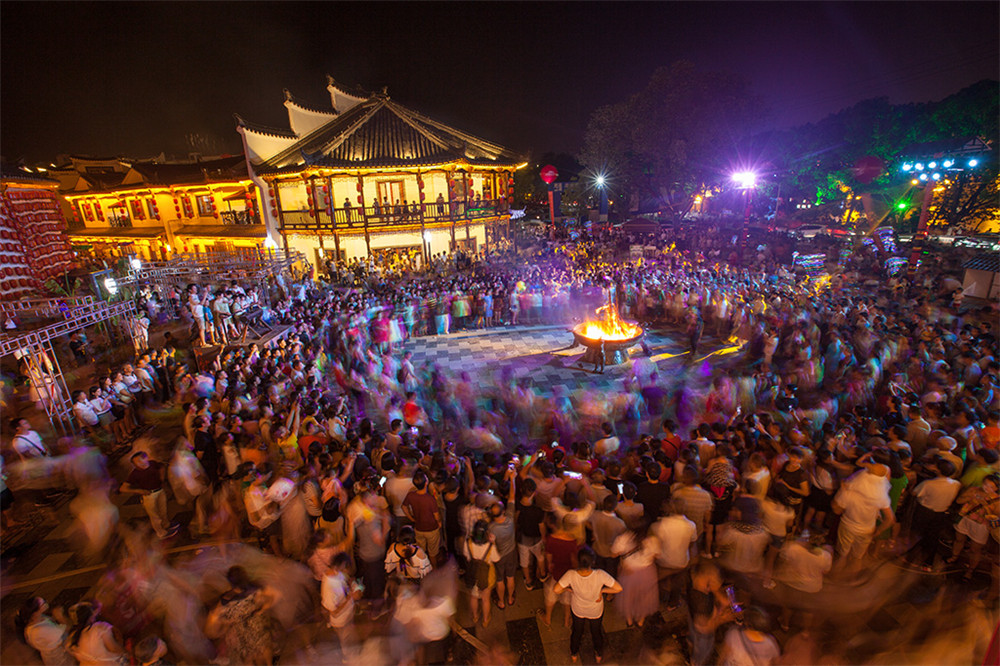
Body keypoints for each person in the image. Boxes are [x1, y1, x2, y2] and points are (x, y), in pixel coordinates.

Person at [553, 546, 622, 664]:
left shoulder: (571, 574)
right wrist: (602, 591)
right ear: (593, 562)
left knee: (577, 632)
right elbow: (618, 588)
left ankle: (574, 654)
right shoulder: (600, 575)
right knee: (596, 632)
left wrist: (570, 590)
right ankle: (598, 654)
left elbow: (556, 590)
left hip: (578, 609)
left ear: (578, 561)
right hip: (595, 610)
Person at [205, 566, 277, 666]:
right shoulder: (256, 589)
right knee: (263, 652)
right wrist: (262, 610)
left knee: (248, 659)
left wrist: (222, 626)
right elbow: (274, 596)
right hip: (259, 632)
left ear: (230, 582)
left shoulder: (226, 601)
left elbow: (211, 629)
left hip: (242, 639)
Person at [945, 473, 999, 580]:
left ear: (997, 488)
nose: (986, 488)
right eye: (985, 484)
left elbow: (996, 516)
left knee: (975, 549)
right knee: (959, 539)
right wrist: (970, 497)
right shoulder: (974, 490)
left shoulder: (997, 500)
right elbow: (959, 500)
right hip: (966, 518)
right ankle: (954, 557)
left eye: (991, 487)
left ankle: (970, 570)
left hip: (981, 526)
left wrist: (985, 506)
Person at [120, 451, 176, 539]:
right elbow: (123, 488)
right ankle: (161, 533)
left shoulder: (152, 463)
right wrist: (139, 491)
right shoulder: (135, 474)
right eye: (136, 463)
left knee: (163, 510)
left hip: (160, 491)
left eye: (140, 460)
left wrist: (162, 477)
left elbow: (161, 466)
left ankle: (166, 525)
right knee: (155, 516)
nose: (138, 464)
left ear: (146, 458)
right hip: (149, 496)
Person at [64, 601, 126, 666]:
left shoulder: (73, 638)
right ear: (90, 615)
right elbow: (114, 648)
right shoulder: (98, 628)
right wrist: (127, 653)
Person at [464, 519, 500, 628]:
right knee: (485, 599)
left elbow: (467, 556)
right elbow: (496, 559)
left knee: (474, 597)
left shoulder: (468, 543)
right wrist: (493, 543)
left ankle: (475, 616)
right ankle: (485, 620)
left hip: (472, 574)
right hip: (486, 576)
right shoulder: (490, 546)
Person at [16, 597, 73, 666]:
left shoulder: (37, 619)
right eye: (43, 603)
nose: (46, 602)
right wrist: (60, 617)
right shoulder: (39, 630)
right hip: (60, 658)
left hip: (53, 653)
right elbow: (67, 629)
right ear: (35, 613)